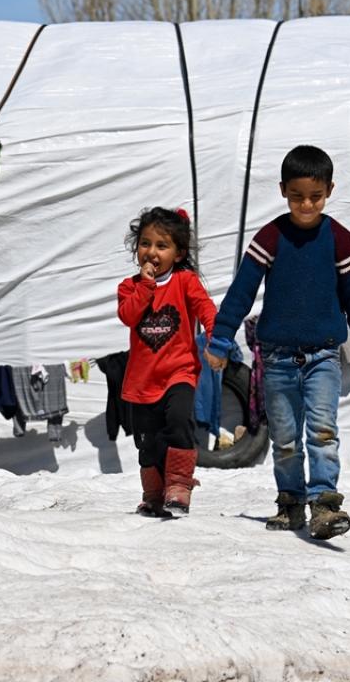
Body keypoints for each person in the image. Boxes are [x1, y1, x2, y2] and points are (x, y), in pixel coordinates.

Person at [204, 145, 350, 540]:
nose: (306, 204)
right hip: (278, 360)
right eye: (297, 196)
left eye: (315, 196)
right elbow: (242, 291)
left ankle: (325, 505)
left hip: (323, 357)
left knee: (321, 430)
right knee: (284, 439)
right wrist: (220, 339)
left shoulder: (339, 239)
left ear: (330, 189)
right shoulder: (271, 237)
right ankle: (291, 502)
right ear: (283, 190)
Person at [118, 207, 217, 517]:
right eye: (145, 243)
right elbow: (128, 315)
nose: (151, 252)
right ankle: (154, 493)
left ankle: (179, 485)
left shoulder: (185, 281)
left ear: (178, 253)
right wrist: (146, 286)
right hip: (142, 381)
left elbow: (205, 308)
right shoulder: (129, 287)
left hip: (179, 372)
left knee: (178, 422)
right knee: (147, 442)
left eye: (162, 246)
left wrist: (216, 336)